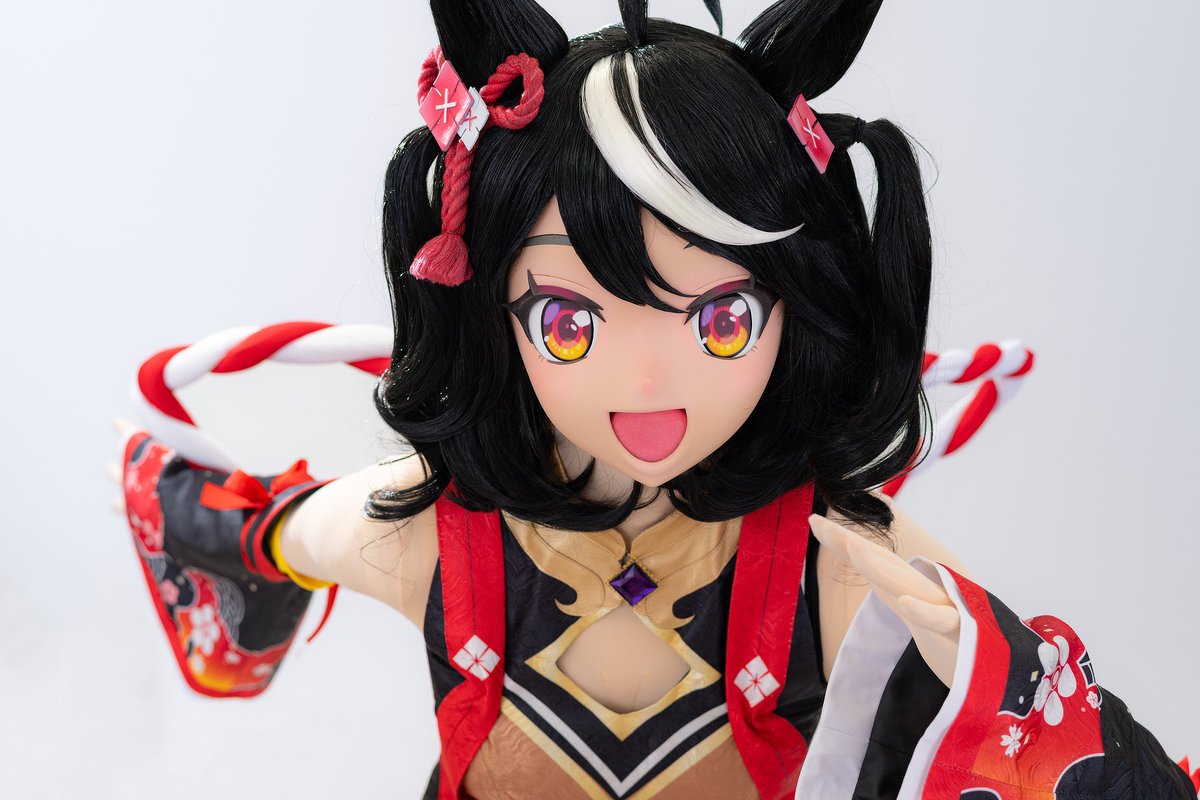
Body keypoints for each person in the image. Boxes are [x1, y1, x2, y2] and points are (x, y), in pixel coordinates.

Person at [109, 0, 1198, 798]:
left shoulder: (830, 562)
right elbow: (236, 526)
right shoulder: (425, 534)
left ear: (799, 309)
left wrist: (990, 676)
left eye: (721, 319)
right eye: (569, 321)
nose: (646, 381)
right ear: (489, 306)